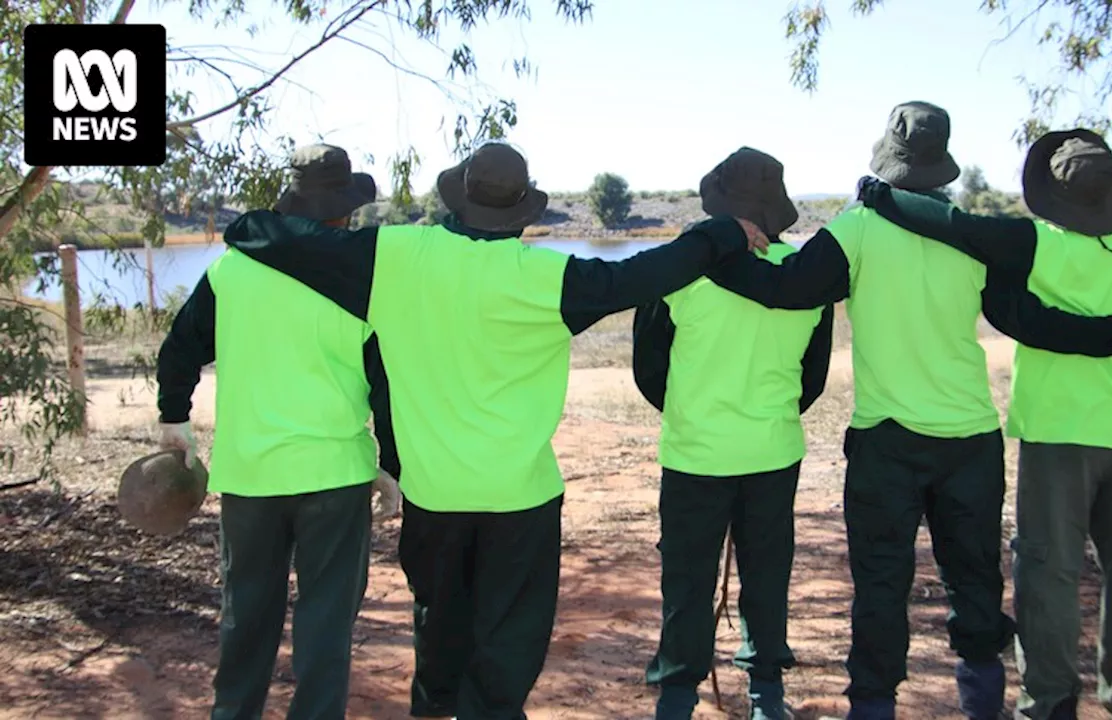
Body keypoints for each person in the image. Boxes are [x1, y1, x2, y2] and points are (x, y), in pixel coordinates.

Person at [215, 141, 770, 720]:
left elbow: (284, 242)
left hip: (433, 495)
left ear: (459, 199)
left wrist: (251, 223)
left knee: (438, 625)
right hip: (519, 499)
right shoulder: (549, 278)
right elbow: (641, 275)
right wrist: (722, 235)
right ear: (522, 212)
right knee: (508, 643)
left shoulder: (397, 256)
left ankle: (434, 707)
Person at [700, 103, 1112, 720]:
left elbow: (788, 290)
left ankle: (873, 706)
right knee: (975, 585)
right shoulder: (968, 235)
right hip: (970, 439)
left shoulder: (856, 228)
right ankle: (983, 704)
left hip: (885, 443)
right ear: (943, 165)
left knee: (881, 585)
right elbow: (1024, 321)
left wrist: (713, 254)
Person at [855, 127, 1112, 720]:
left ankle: (1047, 703)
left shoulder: (1036, 244)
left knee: (1049, 572)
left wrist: (879, 195)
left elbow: (954, 227)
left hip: (1059, 433)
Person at [155, 143, 402, 720]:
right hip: (334, 477)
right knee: (325, 621)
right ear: (345, 212)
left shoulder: (231, 269)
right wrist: (392, 463)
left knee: (246, 614)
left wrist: (174, 418)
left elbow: (180, 348)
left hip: (251, 475)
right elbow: (387, 382)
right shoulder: (364, 280)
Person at [632, 147, 835, 720]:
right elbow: (811, 378)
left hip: (695, 452)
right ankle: (767, 697)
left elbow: (649, 368)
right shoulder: (805, 278)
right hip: (773, 451)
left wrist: (689, 411)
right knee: (767, 576)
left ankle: (676, 701)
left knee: (687, 582)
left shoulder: (678, 270)